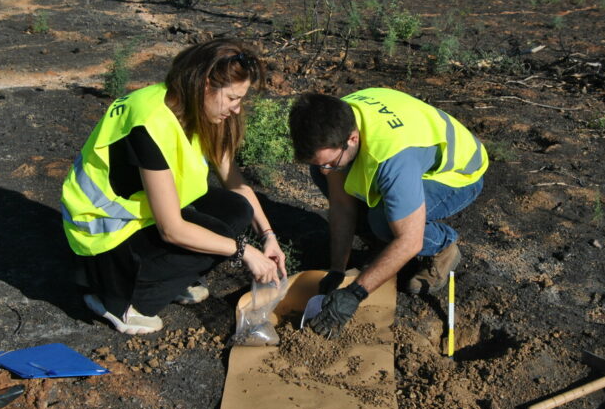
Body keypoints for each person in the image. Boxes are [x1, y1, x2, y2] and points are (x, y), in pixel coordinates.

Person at [61, 39, 286, 335]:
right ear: (206, 85)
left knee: (235, 211)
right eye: (233, 98)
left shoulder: (195, 108)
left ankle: (169, 276)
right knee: (220, 239)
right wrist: (245, 251)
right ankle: (118, 301)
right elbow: (172, 230)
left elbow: (237, 186)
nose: (236, 109)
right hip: (103, 236)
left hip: (141, 217)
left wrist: (268, 236)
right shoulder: (149, 124)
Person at [288, 88, 488, 338]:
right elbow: (341, 205)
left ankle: (442, 246)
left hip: (458, 174)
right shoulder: (336, 117)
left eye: (330, 162)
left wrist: (354, 294)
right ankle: (384, 240)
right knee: (325, 175)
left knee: (383, 223)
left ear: (352, 139)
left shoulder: (393, 159)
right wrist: (337, 269)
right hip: (407, 156)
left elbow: (410, 239)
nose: (326, 171)